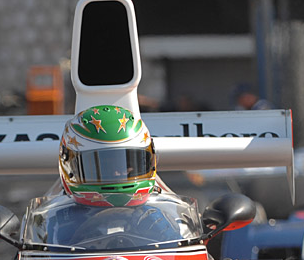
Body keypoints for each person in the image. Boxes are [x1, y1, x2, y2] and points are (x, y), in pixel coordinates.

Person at [23, 105, 201, 249]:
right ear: (68, 163)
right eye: (104, 165)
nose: (117, 174)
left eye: (126, 165)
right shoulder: (52, 222)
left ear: (149, 161)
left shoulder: (169, 217)